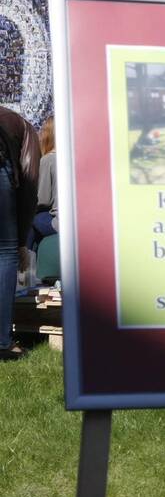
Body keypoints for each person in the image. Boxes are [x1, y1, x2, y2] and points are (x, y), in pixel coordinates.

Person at [0, 105, 41, 360]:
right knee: (5, 253)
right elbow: (29, 182)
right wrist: (22, 242)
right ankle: (2, 342)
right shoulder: (23, 125)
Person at [25, 117, 57, 251]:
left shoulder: (48, 160)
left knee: (28, 219)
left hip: (59, 223)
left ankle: (22, 262)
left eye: (43, 131)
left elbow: (42, 199)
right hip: (78, 220)